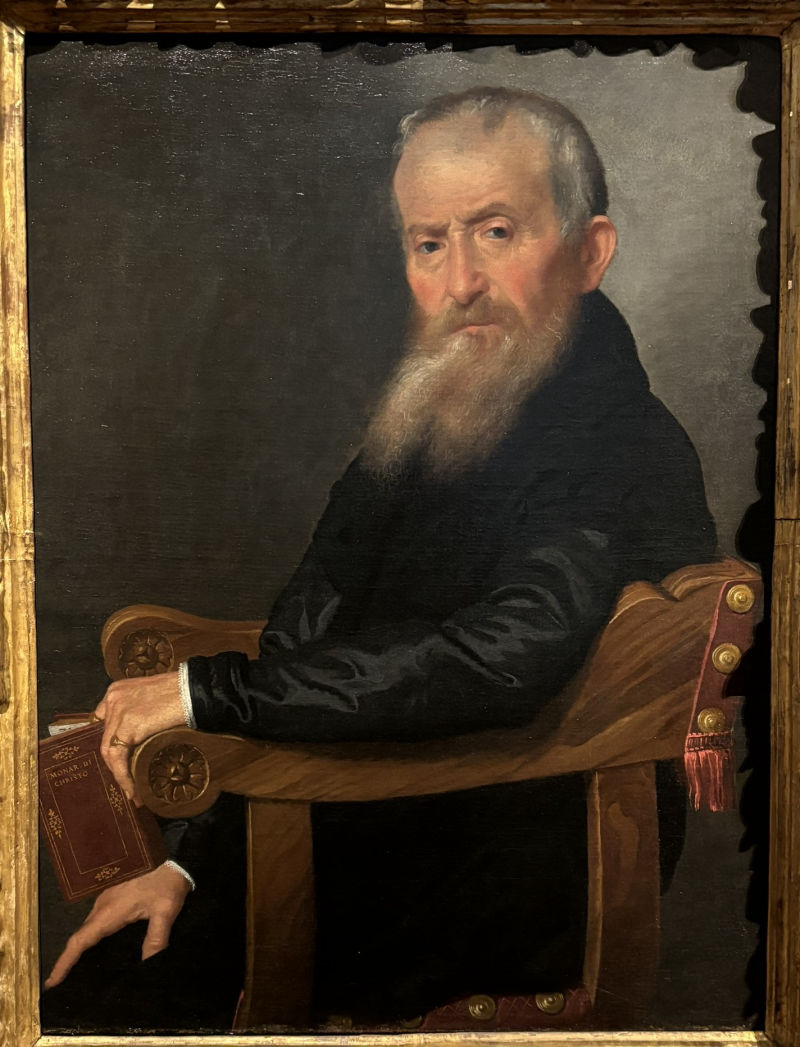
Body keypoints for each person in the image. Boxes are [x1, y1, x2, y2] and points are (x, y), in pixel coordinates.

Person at [42, 86, 717, 1030]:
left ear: (589, 252)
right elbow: (307, 644)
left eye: (496, 232)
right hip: (349, 832)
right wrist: (193, 863)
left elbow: (497, 662)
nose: (460, 282)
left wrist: (204, 694)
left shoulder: (615, 440)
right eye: (429, 243)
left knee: (118, 1008)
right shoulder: (427, 415)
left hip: (503, 884)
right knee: (94, 983)